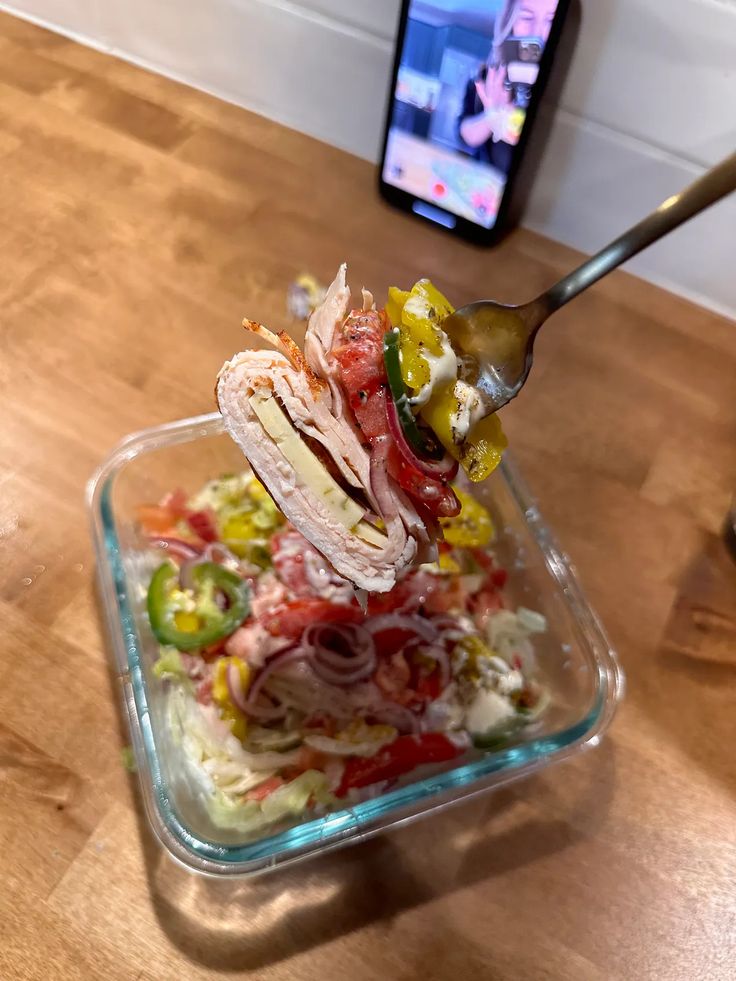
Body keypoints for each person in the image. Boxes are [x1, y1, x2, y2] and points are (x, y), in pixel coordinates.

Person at [458, 0, 559, 174]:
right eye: (527, 18)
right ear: (509, 22)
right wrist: (492, 116)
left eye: (550, 20)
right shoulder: (487, 75)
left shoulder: (563, 90)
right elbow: (464, 136)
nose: (537, 33)